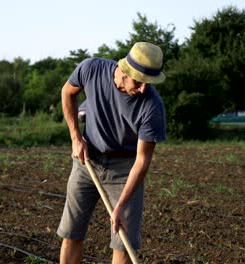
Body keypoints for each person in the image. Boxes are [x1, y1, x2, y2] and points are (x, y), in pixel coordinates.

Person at [57, 42, 167, 264]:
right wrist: (75, 137)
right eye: (139, 81)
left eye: (148, 83)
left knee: (123, 243)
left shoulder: (152, 107)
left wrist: (121, 205)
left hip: (125, 170)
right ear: (124, 71)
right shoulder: (91, 69)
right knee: (71, 233)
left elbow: (142, 161)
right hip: (87, 161)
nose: (144, 88)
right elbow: (67, 93)